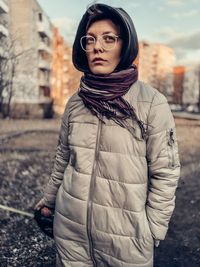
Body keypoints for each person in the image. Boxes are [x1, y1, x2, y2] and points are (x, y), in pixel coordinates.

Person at [35, 3, 180, 267]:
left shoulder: (152, 103)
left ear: (126, 46)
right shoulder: (75, 103)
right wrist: (49, 201)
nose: (97, 47)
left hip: (126, 243)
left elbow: (166, 172)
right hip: (71, 237)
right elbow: (62, 160)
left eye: (108, 39)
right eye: (90, 40)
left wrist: (152, 231)